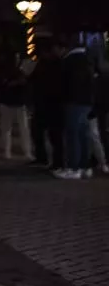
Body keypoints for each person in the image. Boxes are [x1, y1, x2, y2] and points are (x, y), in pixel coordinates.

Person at [55, 36, 94, 179]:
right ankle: (85, 166)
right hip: (86, 101)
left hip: (74, 101)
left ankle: (74, 167)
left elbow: (66, 84)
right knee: (83, 134)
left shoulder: (70, 62)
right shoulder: (87, 59)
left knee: (73, 135)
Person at [27, 38, 64, 168]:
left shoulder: (57, 64)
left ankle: (57, 161)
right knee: (38, 132)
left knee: (54, 135)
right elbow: (33, 79)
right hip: (42, 102)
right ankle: (42, 157)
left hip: (52, 103)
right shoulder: (43, 63)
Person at [0, 51, 31, 160]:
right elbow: (1, 83)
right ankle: (9, 151)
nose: (17, 60)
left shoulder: (20, 70)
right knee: (11, 127)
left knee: (18, 128)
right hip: (10, 101)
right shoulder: (7, 70)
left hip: (16, 102)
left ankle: (21, 151)